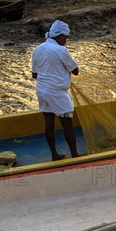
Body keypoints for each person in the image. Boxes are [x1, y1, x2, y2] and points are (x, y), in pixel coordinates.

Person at [31, 20, 80, 161]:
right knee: (68, 125)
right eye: (66, 38)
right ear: (60, 36)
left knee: (49, 124)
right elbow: (75, 71)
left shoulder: (38, 49)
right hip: (57, 93)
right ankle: (75, 156)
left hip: (41, 91)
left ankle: (54, 155)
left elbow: (35, 75)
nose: (66, 41)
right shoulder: (60, 50)